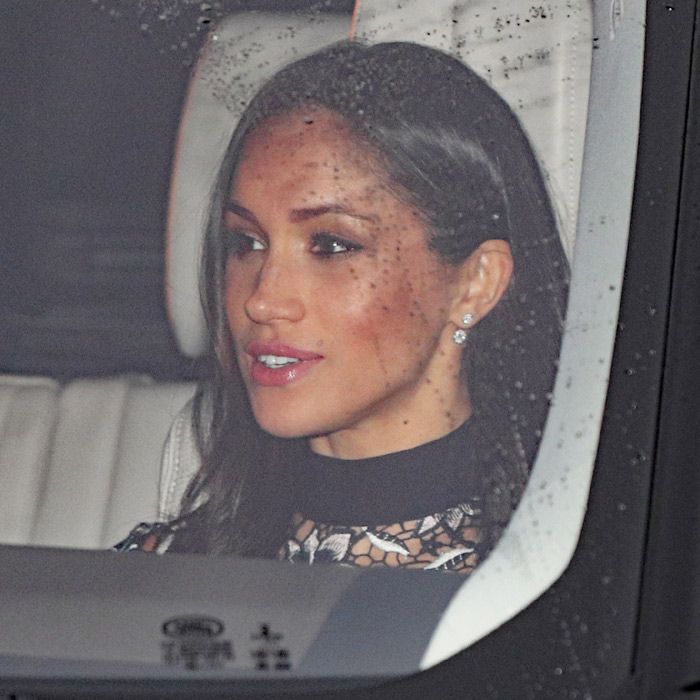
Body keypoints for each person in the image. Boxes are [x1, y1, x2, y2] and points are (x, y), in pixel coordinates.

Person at [115, 40, 569, 574]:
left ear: (476, 283)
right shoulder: (159, 572)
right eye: (247, 243)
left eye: (331, 246)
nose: (262, 300)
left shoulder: (551, 591)